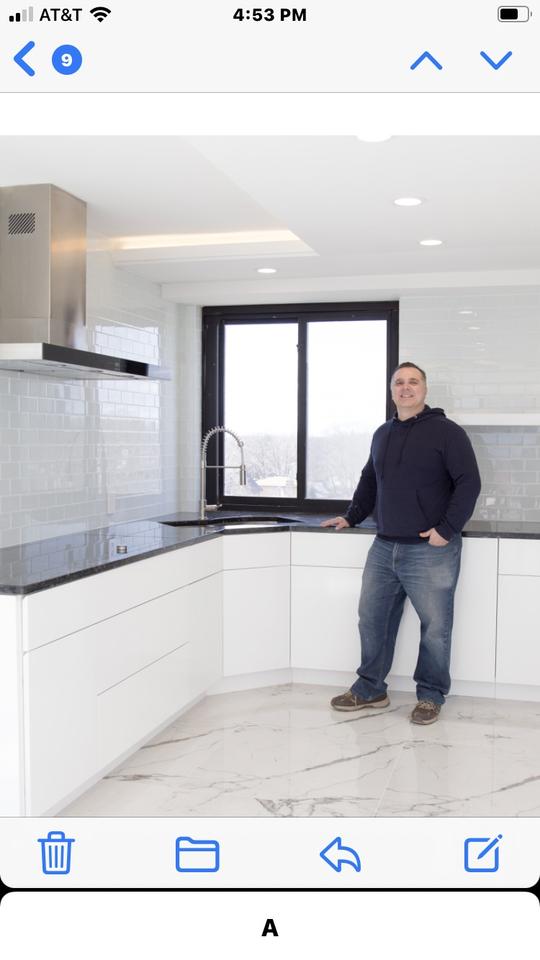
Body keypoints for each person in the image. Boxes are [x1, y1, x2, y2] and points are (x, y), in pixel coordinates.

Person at [321, 362, 481, 724]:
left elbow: (469, 483)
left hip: (430, 549)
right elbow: (369, 480)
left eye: (413, 382)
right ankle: (370, 688)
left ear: (425, 389)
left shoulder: (447, 433)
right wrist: (351, 516)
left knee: (435, 627)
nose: (405, 388)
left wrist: (447, 528)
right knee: (372, 620)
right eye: (399, 382)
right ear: (391, 390)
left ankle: (430, 695)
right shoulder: (382, 433)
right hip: (383, 547)